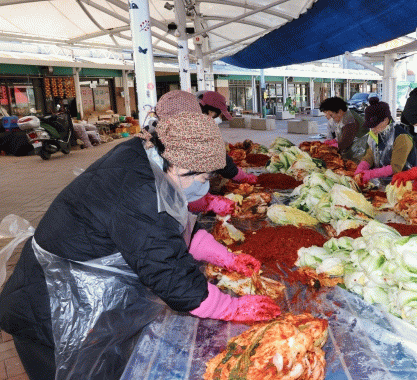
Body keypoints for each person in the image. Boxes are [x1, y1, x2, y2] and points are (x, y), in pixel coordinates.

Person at [0, 93, 281, 380]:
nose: (203, 186)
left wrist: (226, 258)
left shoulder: (148, 155)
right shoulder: (140, 192)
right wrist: (231, 307)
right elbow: (169, 273)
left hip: (79, 296)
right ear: (181, 165)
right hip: (48, 310)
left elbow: (176, 229)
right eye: (202, 177)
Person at [354, 97, 417, 185]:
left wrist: (371, 174)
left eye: (375, 125)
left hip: (402, 184)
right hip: (383, 183)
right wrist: (362, 167)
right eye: (371, 126)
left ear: (386, 120)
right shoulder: (377, 133)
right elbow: (371, 155)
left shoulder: (402, 138)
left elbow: (395, 168)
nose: (372, 129)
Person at [319, 96, 368, 161]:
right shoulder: (345, 116)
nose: (331, 118)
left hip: (360, 155)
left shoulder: (350, 120)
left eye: (331, 115)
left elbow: (345, 143)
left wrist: (330, 147)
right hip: (353, 153)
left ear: (339, 111)